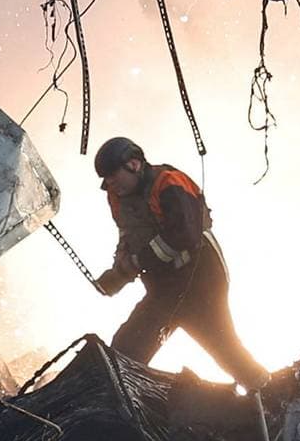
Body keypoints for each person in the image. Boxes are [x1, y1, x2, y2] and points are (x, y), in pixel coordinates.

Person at [90, 135, 271, 392]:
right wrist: (118, 273)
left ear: (133, 164)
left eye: (113, 176)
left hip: (201, 280)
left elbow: (182, 235)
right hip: (163, 289)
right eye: (106, 180)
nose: (111, 184)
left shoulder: (169, 183)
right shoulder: (117, 196)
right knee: (126, 349)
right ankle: (119, 408)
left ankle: (268, 396)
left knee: (224, 349)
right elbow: (128, 237)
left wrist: (133, 265)